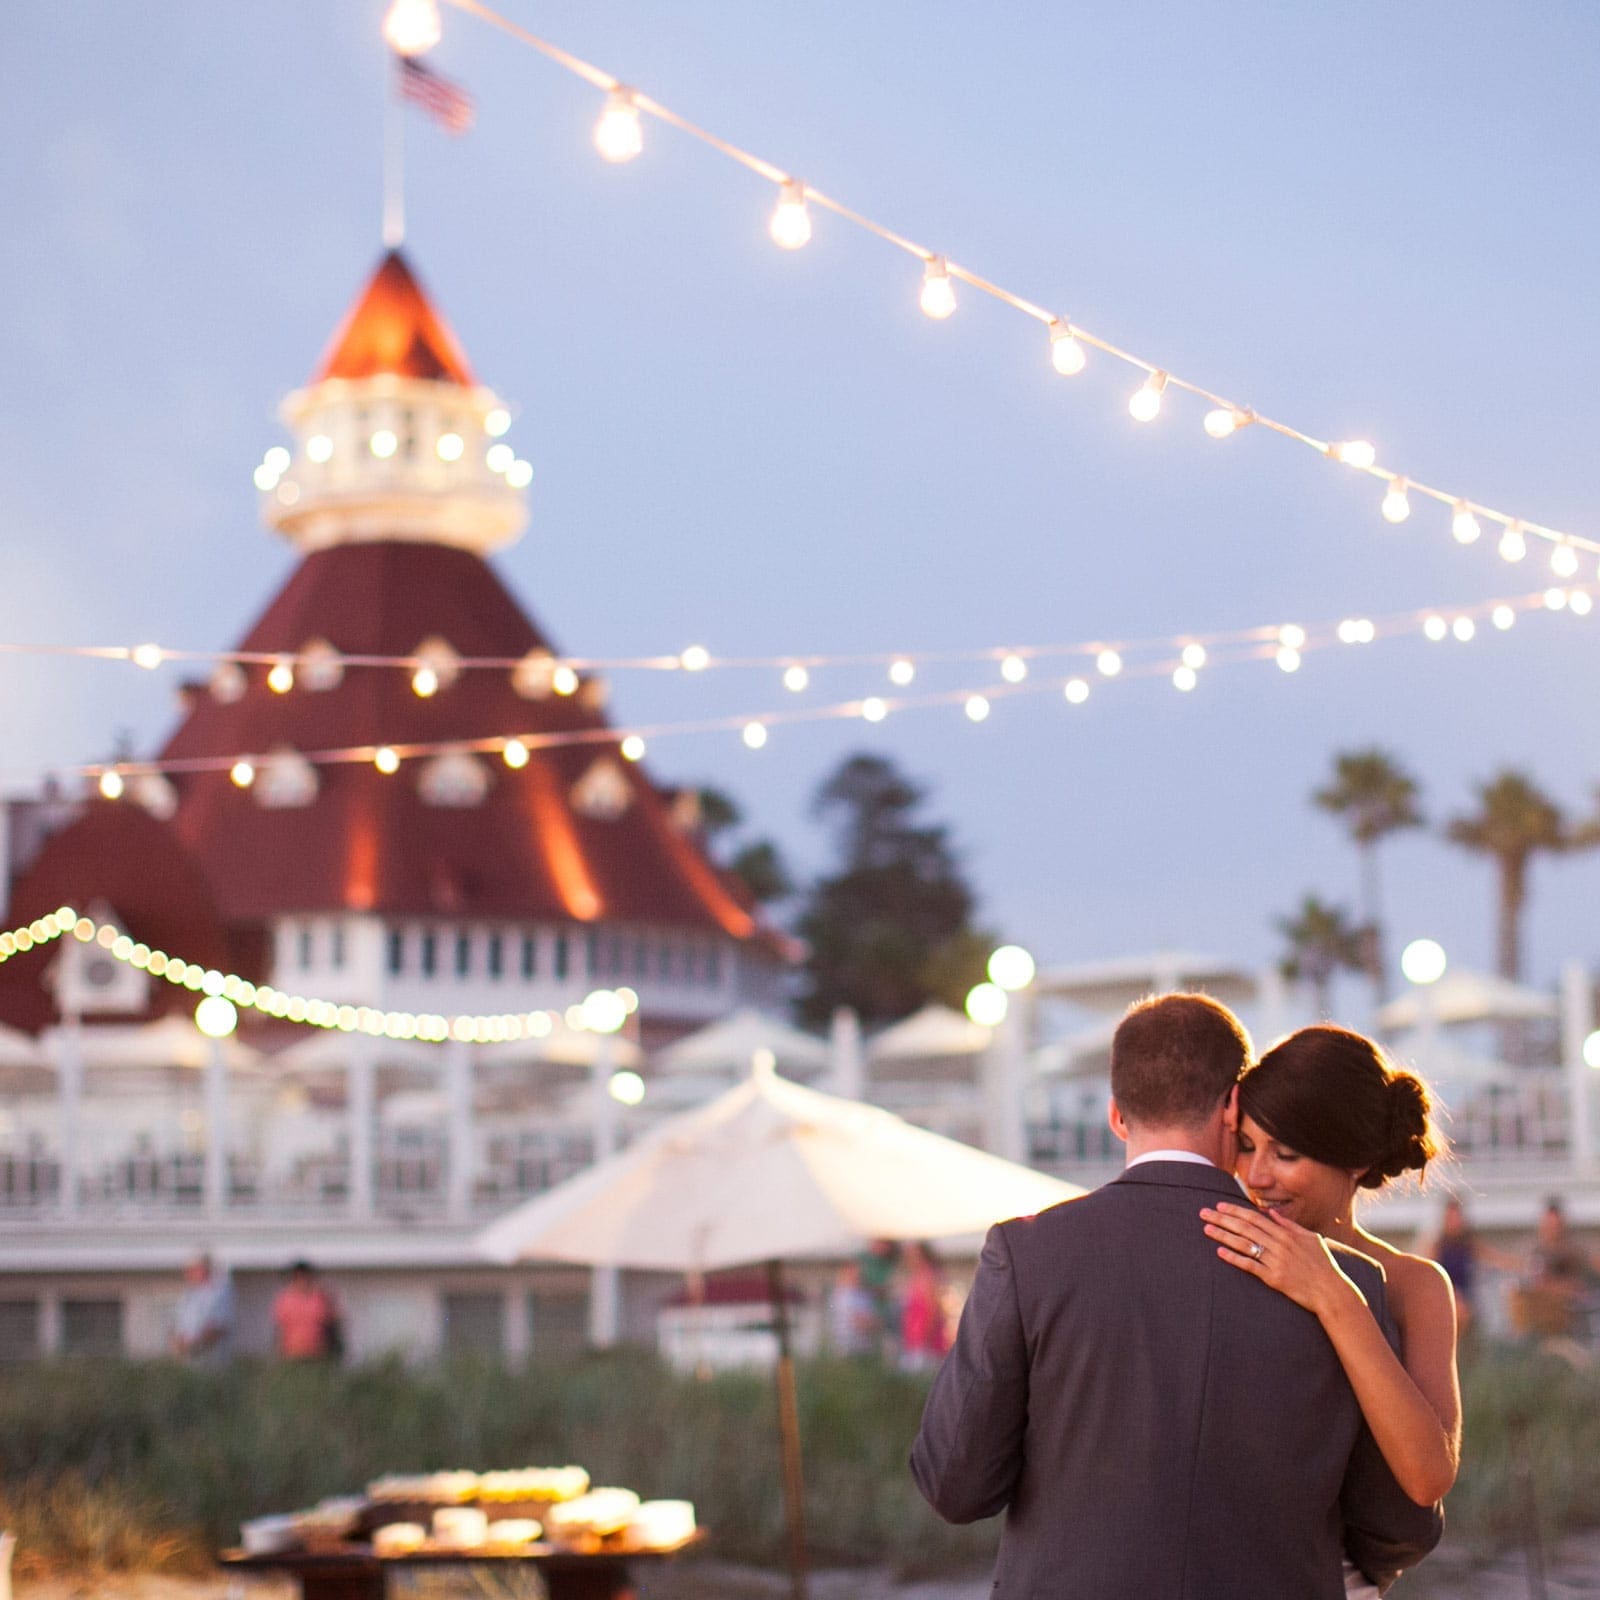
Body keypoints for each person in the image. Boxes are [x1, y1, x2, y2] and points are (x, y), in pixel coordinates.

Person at [911, 993, 1442, 1599]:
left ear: (1117, 1115)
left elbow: (955, 1486)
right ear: (1234, 1106)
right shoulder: (1341, 1280)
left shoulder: (1028, 1252)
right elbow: (1400, 1521)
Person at [1198, 1025, 1456, 1599]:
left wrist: (1337, 1296)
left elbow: (1428, 1477)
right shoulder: (1219, 1256)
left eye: (1286, 1154)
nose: (1257, 1176)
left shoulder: (1412, 1285)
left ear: (1356, 1160)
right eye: (1246, 1145)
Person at [171, 1252, 235, 1366]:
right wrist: (179, 1344)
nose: (188, 1274)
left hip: (211, 1363)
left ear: (204, 1269)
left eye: (192, 1269)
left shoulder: (219, 1293)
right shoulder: (188, 1296)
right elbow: (178, 1327)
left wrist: (194, 1346)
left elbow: (218, 1328)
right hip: (188, 1362)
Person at [272, 1259, 343, 1361]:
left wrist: (336, 1354)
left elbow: (334, 1327)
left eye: (305, 1276)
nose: (302, 1280)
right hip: (292, 1356)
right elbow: (279, 1330)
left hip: (319, 1355)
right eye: (298, 1277)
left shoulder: (322, 1298)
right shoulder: (285, 1300)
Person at [896, 1242, 950, 1372]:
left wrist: (927, 1337)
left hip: (926, 1340)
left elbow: (933, 1309)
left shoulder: (929, 1276)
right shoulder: (914, 1276)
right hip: (913, 1338)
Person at [828, 1260, 879, 1357]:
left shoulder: (865, 1295)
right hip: (846, 1349)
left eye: (859, 1274)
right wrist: (869, 1323)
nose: (857, 1277)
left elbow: (875, 1321)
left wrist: (871, 1323)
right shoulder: (840, 1296)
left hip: (865, 1348)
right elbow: (858, 1322)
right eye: (852, 1273)